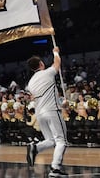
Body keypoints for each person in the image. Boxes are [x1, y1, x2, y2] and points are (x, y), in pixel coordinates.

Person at [25, 47, 68, 177]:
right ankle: (55, 168)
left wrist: (61, 104)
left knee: (51, 140)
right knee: (61, 141)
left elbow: (44, 96)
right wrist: (56, 52)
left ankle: (36, 148)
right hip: (52, 111)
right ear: (41, 64)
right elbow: (57, 64)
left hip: (40, 113)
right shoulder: (47, 73)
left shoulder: (30, 83)